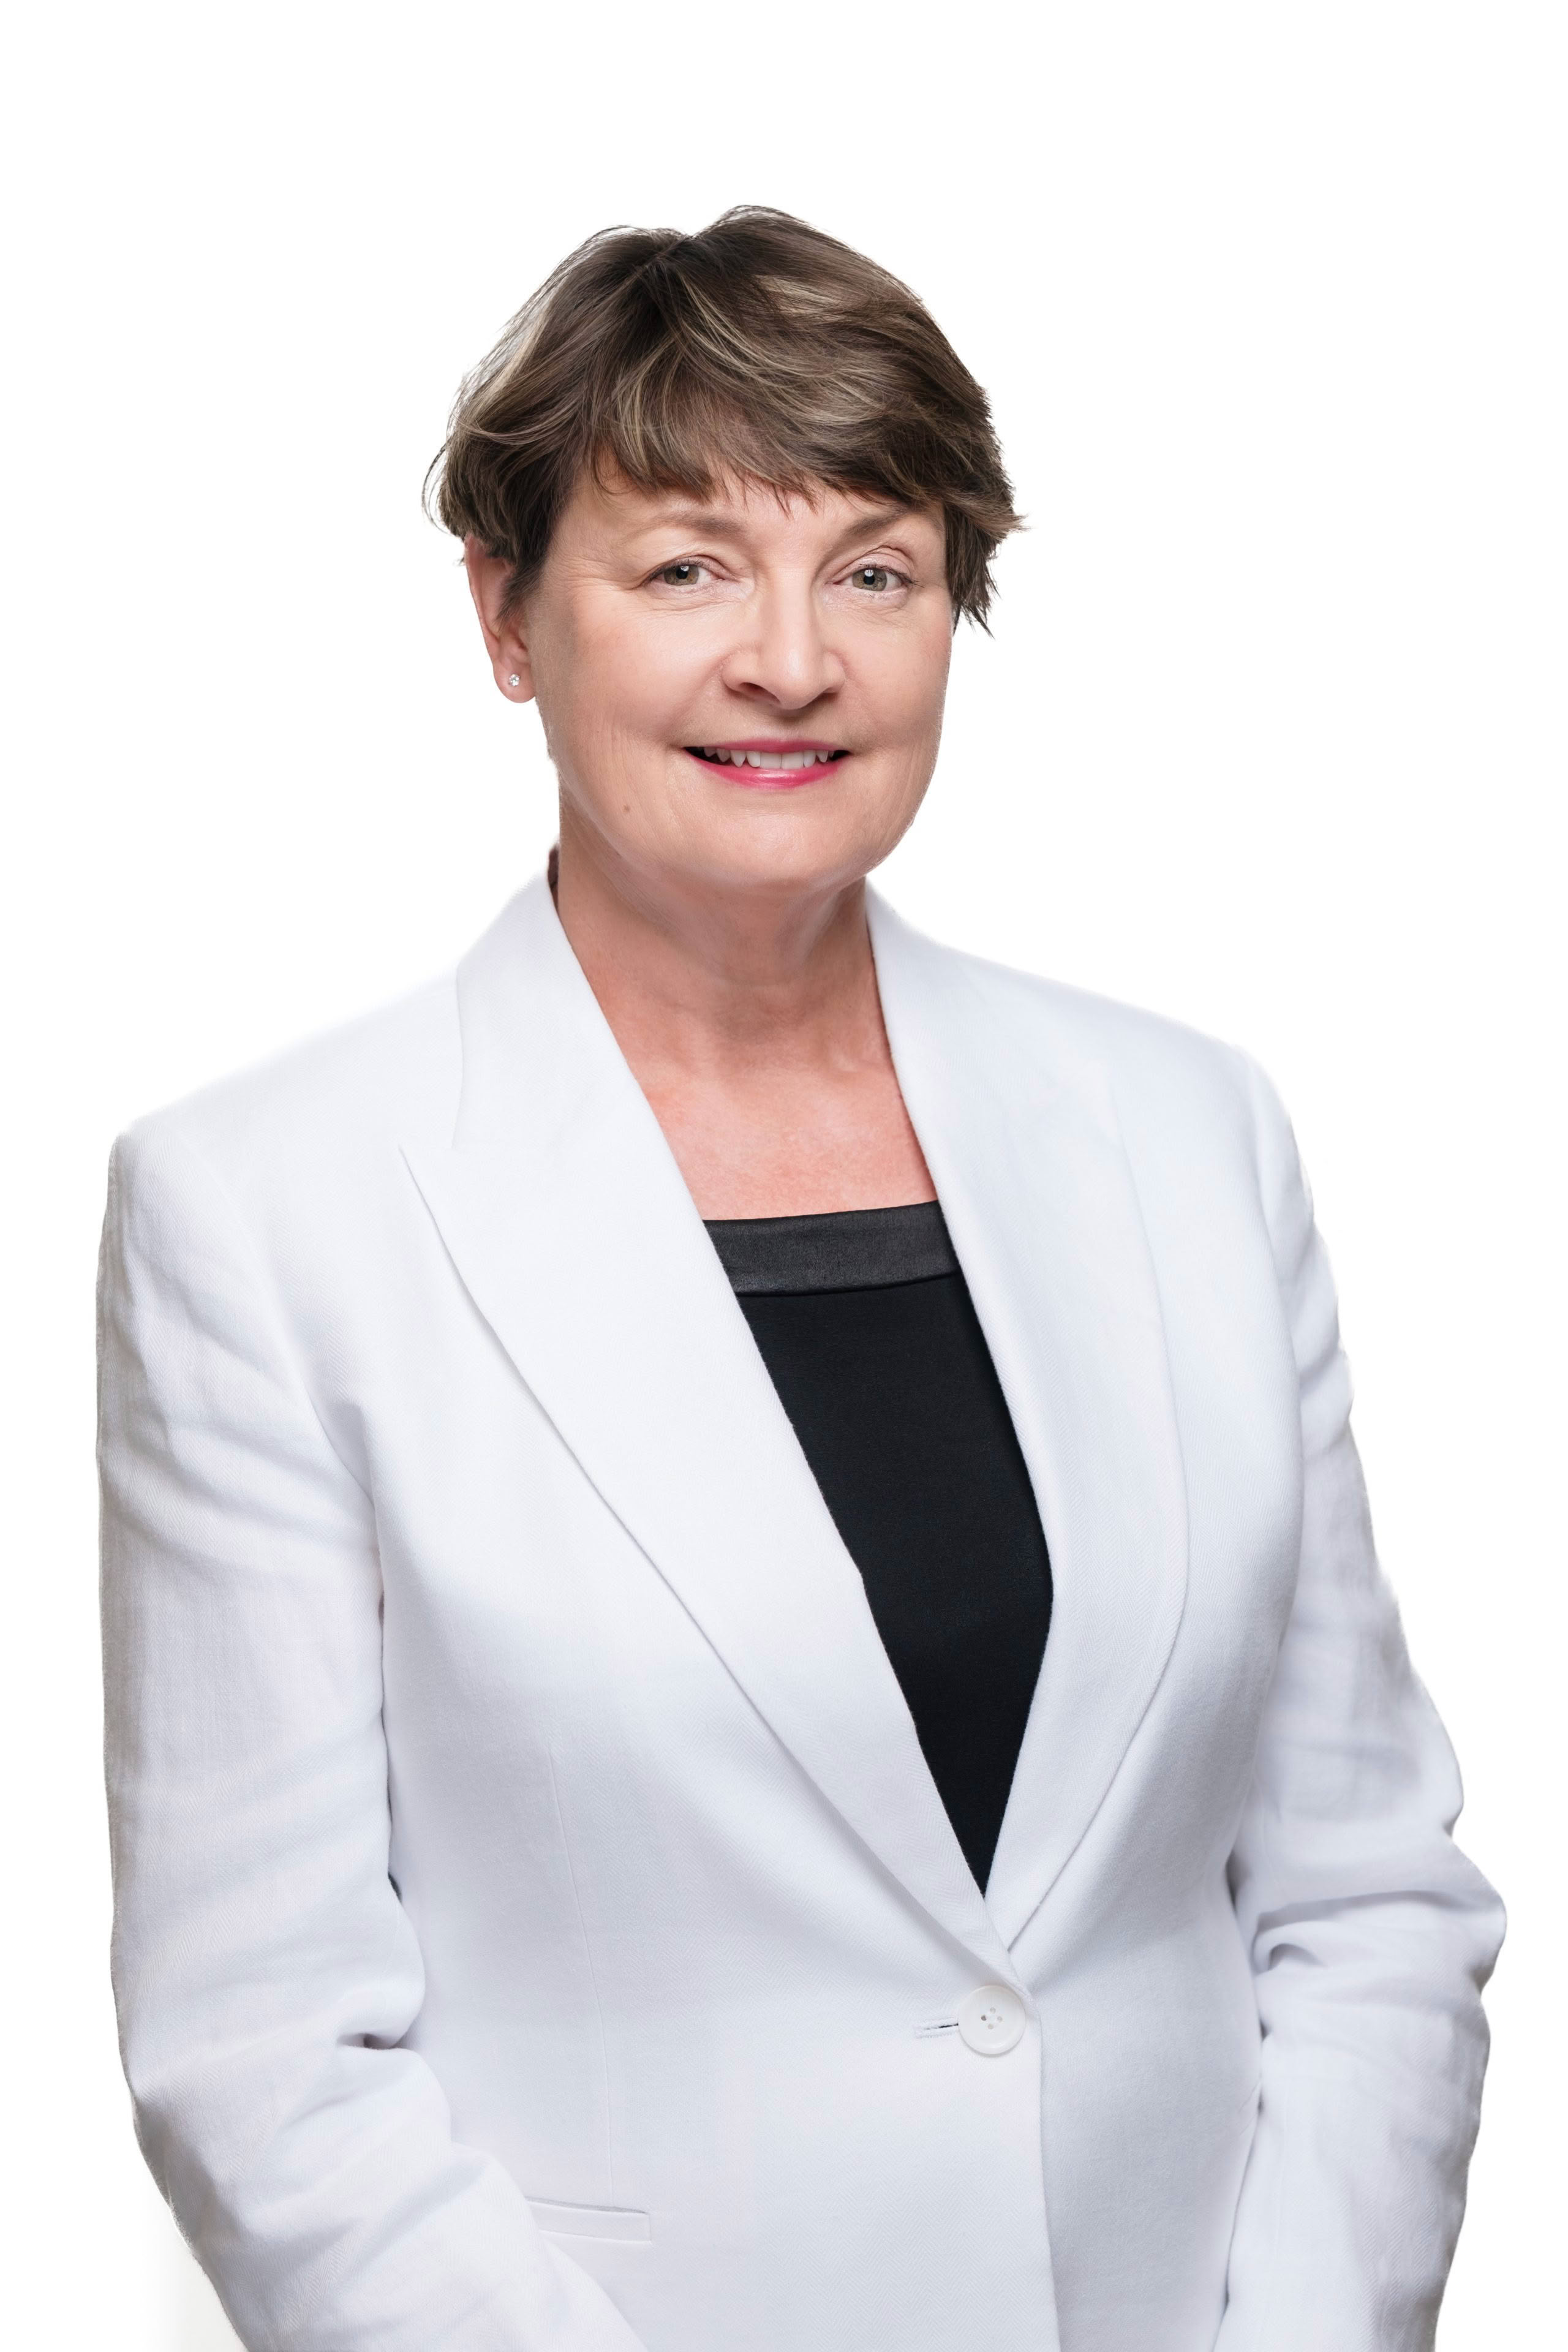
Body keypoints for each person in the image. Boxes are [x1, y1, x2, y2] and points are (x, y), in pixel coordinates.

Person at [98, 208, 1502, 2352]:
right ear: (505, 615)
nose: (792, 660)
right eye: (685, 570)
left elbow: (1367, 1890)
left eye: (877, 570)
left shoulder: (1189, 1134)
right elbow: (265, 2054)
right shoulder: (267, 1214)